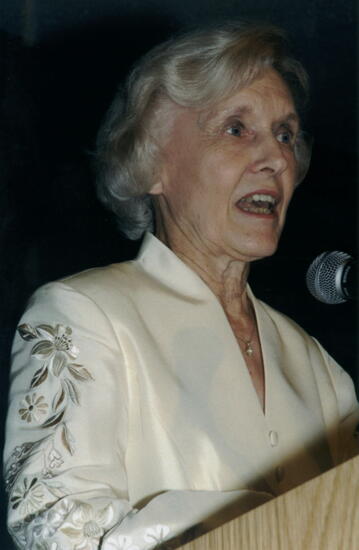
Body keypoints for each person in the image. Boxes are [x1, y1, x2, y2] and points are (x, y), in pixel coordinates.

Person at [4, 22, 359, 550]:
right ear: (151, 165)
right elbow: (54, 524)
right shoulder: (83, 314)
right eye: (236, 129)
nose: (278, 158)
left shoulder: (322, 371)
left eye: (285, 134)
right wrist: (271, 526)